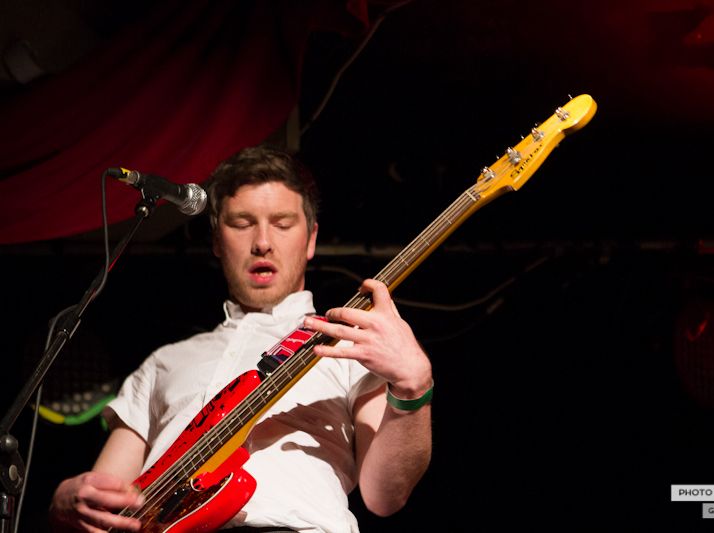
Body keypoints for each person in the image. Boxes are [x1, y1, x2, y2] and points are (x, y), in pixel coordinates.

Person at [48, 144, 434, 532]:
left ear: (311, 238)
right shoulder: (164, 361)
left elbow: (384, 497)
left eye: (282, 223)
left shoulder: (349, 344)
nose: (262, 241)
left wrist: (414, 386)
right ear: (216, 239)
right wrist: (66, 505)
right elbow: (104, 508)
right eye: (242, 223)